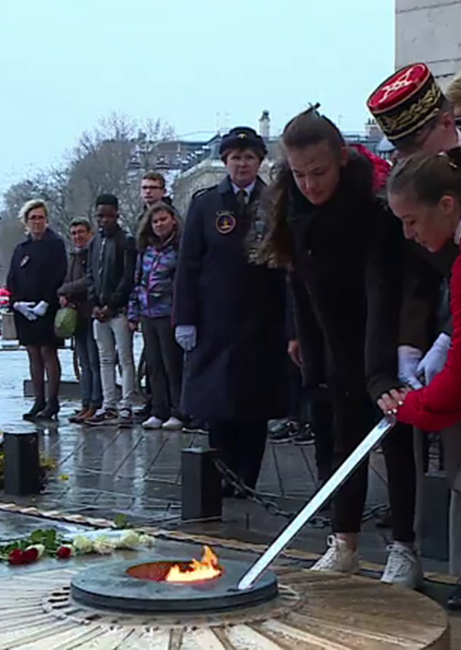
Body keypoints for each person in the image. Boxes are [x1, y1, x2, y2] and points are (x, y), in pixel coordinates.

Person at [365, 60, 461, 611]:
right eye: (400, 145)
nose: (409, 153)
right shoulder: (404, 181)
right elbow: (407, 269)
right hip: (447, 322)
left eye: (416, 139)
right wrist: (415, 343)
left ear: (447, 119)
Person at [257, 107, 413, 587]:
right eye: (300, 174)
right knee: (342, 445)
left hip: (381, 333)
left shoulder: (372, 206)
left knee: (398, 445)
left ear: (342, 159)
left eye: (319, 172)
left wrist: (380, 367)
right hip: (331, 337)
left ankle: (405, 547)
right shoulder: (293, 206)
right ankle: (343, 541)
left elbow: (383, 287)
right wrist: (299, 333)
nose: (310, 184)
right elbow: (295, 276)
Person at [173, 126, 287, 495]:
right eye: (236, 157)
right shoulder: (206, 204)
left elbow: (285, 262)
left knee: (254, 404)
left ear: (259, 161)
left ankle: (247, 477)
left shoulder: (274, 202)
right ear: (225, 161)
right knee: (218, 403)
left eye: (250, 157)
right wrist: (184, 318)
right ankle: (223, 473)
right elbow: (188, 264)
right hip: (215, 319)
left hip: (260, 320)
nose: (243, 164)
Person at [7, 200, 68, 422]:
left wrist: (47, 301)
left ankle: (52, 402)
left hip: (46, 307)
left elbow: (59, 273)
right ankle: (38, 400)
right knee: (32, 353)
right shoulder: (21, 249)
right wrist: (16, 302)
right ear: (26, 221)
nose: (37, 222)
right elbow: (12, 277)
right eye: (32, 218)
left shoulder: (55, 244)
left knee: (47, 352)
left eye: (40, 217)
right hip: (25, 309)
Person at [129, 203, 186, 431]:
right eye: (155, 221)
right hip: (147, 313)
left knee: (172, 363)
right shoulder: (146, 249)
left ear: (172, 220)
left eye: (163, 220)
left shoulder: (179, 248)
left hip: (168, 312)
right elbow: (137, 280)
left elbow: (182, 281)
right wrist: (134, 313)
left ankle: (178, 410)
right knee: (154, 364)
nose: (159, 224)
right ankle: (158, 409)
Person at [84, 194, 139, 427]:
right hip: (100, 310)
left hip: (119, 310)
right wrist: (95, 303)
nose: (104, 220)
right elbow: (91, 275)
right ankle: (109, 405)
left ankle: (126, 405)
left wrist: (112, 304)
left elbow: (128, 276)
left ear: (117, 214)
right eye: (100, 216)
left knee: (125, 359)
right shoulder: (96, 242)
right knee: (105, 359)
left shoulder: (126, 240)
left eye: (108, 215)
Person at [58, 218, 102, 423]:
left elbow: (88, 281)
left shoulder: (93, 254)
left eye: (81, 232)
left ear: (90, 233)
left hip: (90, 313)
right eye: (74, 233)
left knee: (94, 362)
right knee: (84, 362)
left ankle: (95, 403)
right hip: (77, 315)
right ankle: (85, 403)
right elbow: (68, 279)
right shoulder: (73, 256)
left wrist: (66, 290)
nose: (77, 236)